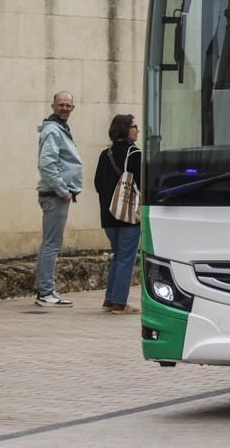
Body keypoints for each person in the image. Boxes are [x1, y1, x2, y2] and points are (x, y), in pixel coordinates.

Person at [35, 91, 83, 308]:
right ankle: (45, 293)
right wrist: (63, 191)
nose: (65, 108)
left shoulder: (59, 129)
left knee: (51, 243)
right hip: (55, 195)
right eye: (61, 104)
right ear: (53, 106)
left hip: (57, 194)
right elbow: (47, 165)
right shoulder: (53, 130)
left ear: (73, 108)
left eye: (68, 105)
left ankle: (46, 291)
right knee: (52, 244)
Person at [93, 114, 142, 315]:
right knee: (126, 258)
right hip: (128, 214)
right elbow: (142, 183)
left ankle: (110, 299)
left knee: (118, 256)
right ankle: (120, 303)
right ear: (125, 129)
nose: (137, 130)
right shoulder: (134, 153)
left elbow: (97, 183)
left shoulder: (105, 154)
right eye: (134, 126)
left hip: (108, 214)